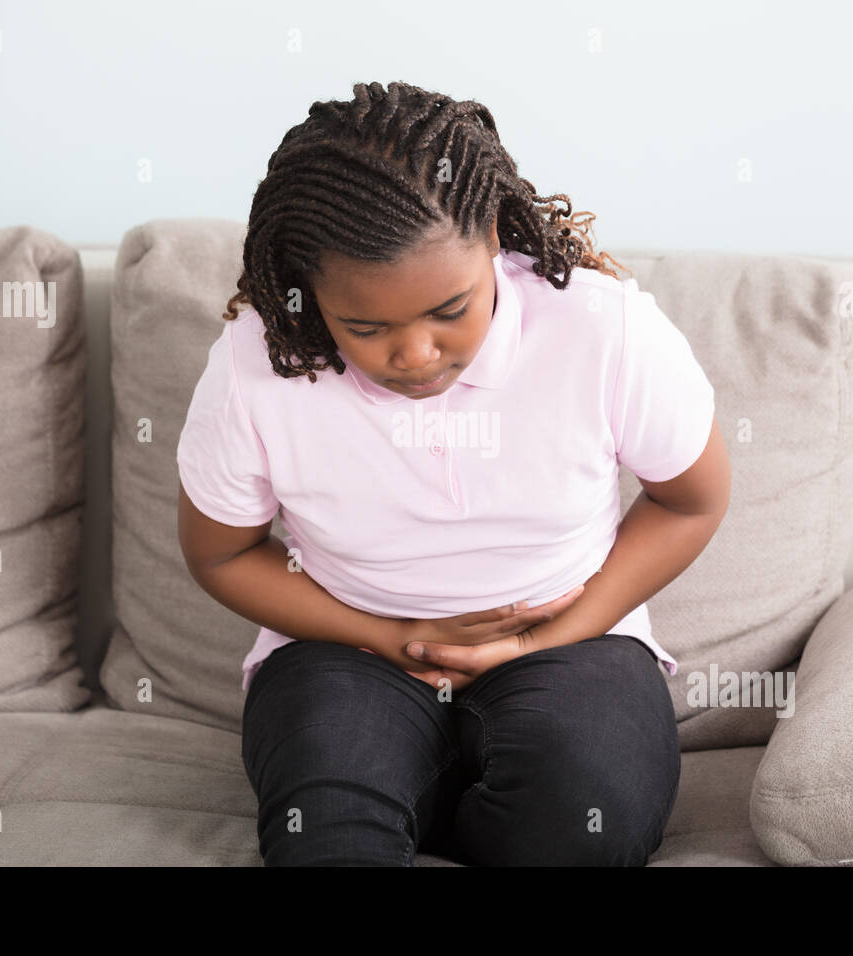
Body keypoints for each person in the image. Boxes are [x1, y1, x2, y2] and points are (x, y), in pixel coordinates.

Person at [176, 80, 730, 866]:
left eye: (450, 310)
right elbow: (221, 551)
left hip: (577, 646)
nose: (415, 355)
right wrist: (389, 636)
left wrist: (549, 634)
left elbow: (692, 501)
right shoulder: (260, 362)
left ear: (497, 239)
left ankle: (450, 802)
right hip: (350, 650)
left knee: (583, 822)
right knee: (327, 832)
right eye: (365, 327)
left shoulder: (603, 329)